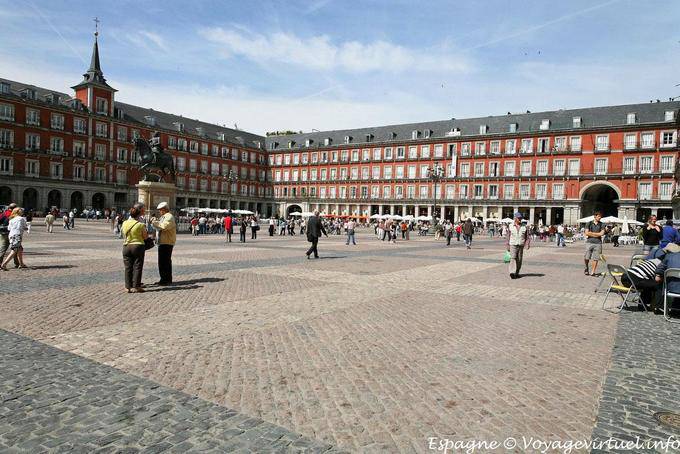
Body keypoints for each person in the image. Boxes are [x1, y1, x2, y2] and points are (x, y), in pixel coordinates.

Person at [121, 203, 149, 293]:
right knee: (137, 266)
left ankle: (127, 287)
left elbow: (122, 234)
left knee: (128, 267)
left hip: (126, 246)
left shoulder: (125, 223)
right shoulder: (140, 225)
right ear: (138, 214)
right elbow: (145, 237)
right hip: (137, 246)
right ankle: (136, 286)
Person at [151, 202, 176, 286]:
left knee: (163, 262)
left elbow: (164, 227)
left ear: (164, 209)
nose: (159, 212)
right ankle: (166, 279)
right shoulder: (164, 217)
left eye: (160, 210)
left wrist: (155, 222)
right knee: (165, 261)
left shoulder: (169, 217)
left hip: (166, 242)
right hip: (163, 241)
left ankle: (165, 280)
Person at [506, 212, 530, 279]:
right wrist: (507, 245)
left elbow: (527, 237)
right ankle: (512, 273)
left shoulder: (524, 227)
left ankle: (517, 272)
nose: (520, 219)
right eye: (518, 218)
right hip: (512, 244)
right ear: (515, 218)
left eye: (520, 218)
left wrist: (527, 244)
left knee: (519, 260)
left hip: (521, 244)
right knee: (513, 258)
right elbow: (508, 236)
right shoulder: (510, 226)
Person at [584, 212, 605, 276]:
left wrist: (591, 233)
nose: (600, 217)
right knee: (587, 257)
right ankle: (586, 267)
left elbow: (602, 234)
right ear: (595, 217)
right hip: (589, 242)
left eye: (600, 216)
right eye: (599, 216)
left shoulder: (602, 224)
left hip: (598, 243)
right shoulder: (589, 223)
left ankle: (593, 272)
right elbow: (586, 233)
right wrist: (597, 234)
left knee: (596, 258)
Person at [0, 203, 19, 268]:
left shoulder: (4, 214)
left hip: (4, 233)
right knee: (16, 248)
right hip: (13, 234)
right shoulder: (16, 215)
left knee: (2, 249)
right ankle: (17, 263)